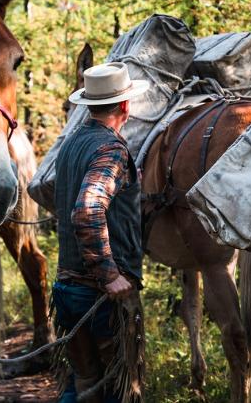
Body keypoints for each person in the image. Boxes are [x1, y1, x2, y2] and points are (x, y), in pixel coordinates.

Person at [54, 62, 148, 403]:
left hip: (67, 289)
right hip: (99, 297)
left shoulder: (70, 145)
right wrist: (109, 274)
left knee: (82, 384)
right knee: (118, 389)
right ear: (125, 105)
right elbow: (88, 209)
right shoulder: (111, 150)